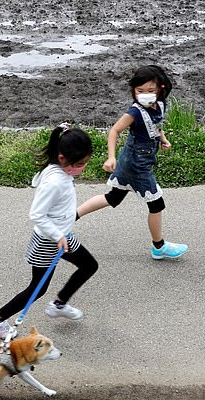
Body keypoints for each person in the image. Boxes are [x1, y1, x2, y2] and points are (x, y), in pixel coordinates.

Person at [0, 124, 99, 340]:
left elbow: (40, 182)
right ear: (63, 158)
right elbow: (36, 214)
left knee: (89, 265)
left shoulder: (56, 169)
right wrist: (58, 235)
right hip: (49, 240)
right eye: (80, 164)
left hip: (63, 237)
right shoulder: (55, 181)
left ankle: (60, 304)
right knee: (37, 288)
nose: (82, 168)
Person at [76, 64, 188, 260]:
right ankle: (159, 247)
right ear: (133, 91)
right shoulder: (134, 113)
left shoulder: (160, 104)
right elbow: (114, 131)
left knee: (113, 197)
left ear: (160, 89)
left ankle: (70, 216)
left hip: (133, 161)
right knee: (156, 204)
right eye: (140, 91)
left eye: (150, 91)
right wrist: (111, 157)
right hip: (137, 164)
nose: (145, 95)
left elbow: (155, 125)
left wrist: (162, 139)